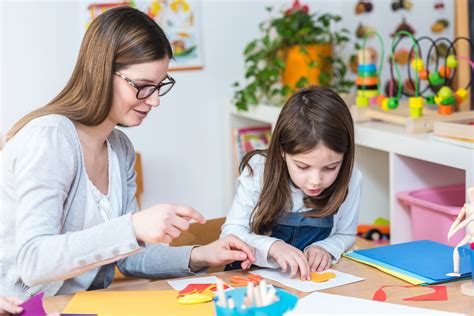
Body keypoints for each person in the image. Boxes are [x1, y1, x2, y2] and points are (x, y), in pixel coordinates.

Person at [0, 6, 254, 300]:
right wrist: (132, 227)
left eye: (160, 86)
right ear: (101, 74)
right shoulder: (50, 138)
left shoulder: (119, 149)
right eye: (144, 86)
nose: (155, 100)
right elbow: (34, 261)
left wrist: (202, 255)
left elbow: (128, 257)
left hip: (78, 305)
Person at [221, 86, 362, 280]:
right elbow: (231, 234)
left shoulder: (351, 178)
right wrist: (273, 247)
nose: (315, 181)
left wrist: (324, 248)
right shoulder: (259, 170)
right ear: (282, 150)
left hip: (307, 284)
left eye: (330, 168)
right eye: (303, 167)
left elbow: (346, 235)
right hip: (250, 281)